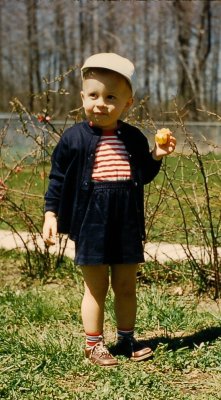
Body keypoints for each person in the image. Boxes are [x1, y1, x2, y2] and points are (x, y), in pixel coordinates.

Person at [43, 53, 176, 367]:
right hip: (91, 221)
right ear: (82, 97)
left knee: (127, 286)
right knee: (96, 287)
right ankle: (94, 344)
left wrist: (156, 154)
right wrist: (51, 213)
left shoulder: (131, 138)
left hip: (127, 221)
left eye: (110, 97)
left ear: (127, 104)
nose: (100, 103)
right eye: (93, 95)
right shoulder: (73, 138)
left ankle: (126, 338)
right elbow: (58, 177)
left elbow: (141, 175)